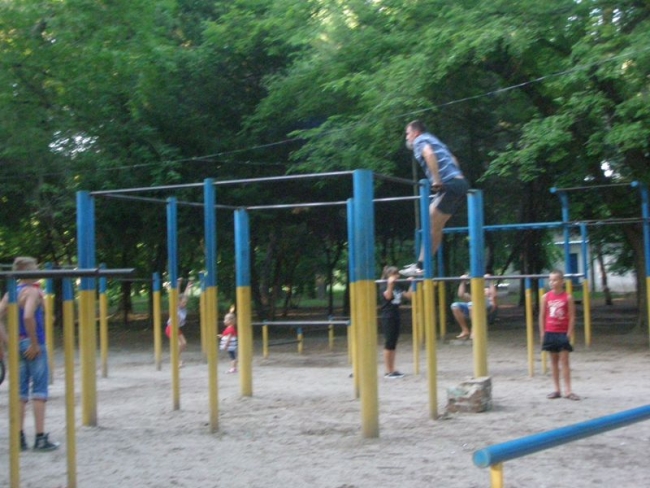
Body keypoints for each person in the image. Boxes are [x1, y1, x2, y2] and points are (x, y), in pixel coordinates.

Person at [0, 257, 59, 451]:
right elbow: (27, 316)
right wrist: (34, 343)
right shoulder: (31, 292)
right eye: (35, 268)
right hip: (35, 343)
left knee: (20, 393)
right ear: (26, 270)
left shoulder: (11, 293)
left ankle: (19, 438)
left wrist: (9, 342)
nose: (38, 271)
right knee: (40, 391)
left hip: (18, 344)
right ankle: (40, 438)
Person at [401, 120, 470, 277]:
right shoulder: (434, 140)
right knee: (436, 226)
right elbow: (453, 159)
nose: (407, 137)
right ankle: (421, 265)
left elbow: (429, 154)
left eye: (407, 133)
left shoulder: (419, 141)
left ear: (415, 133)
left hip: (449, 185)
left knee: (431, 223)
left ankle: (420, 266)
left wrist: (437, 180)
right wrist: (455, 175)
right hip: (459, 183)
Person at [539, 269, 579, 401]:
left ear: (562, 281)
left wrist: (569, 333)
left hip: (562, 332)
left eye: (555, 280)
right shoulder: (545, 297)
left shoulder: (568, 297)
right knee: (553, 361)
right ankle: (557, 389)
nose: (552, 282)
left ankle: (568, 390)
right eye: (550, 280)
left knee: (564, 361)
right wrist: (542, 332)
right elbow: (542, 316)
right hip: (550, 332)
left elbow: (572, 316)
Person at [379, 266, 412, 378]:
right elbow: (388, 296)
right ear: (388, 275)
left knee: (393, 343)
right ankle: (388, 371)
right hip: (388, 316)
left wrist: (412, 283)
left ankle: (392, 369)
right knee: (389, 343)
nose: (397, 276)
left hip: (396, 315)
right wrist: (390, 285)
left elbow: (409, 296)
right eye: (394, 274)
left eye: (397, 274)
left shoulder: (398, 285)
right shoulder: (383, 285)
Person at [450, 274, 498, 340]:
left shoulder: (490, 300)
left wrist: (490, 281)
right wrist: (463, 282)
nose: (484, 290)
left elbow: (494, 296)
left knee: (471, 304)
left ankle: (474, 330)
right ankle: (465, 330)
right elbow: (461, 295)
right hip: (473, 308)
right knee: (454, 306)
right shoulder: (475, 297)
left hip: (485, 309)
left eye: (486, 289)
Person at [165, 278, 192, 367]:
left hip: (176, 328)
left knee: (183, 343)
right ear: (179, 302)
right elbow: (176, 295)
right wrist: (178, 284)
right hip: (170, 327)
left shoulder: (183, 308)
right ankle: (176, 360)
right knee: (179, 344)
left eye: (185, 303)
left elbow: (185, 296)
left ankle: (175, 358)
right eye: (183, 303)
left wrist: (188, 286)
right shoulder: (176, 306)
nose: (185, 304)